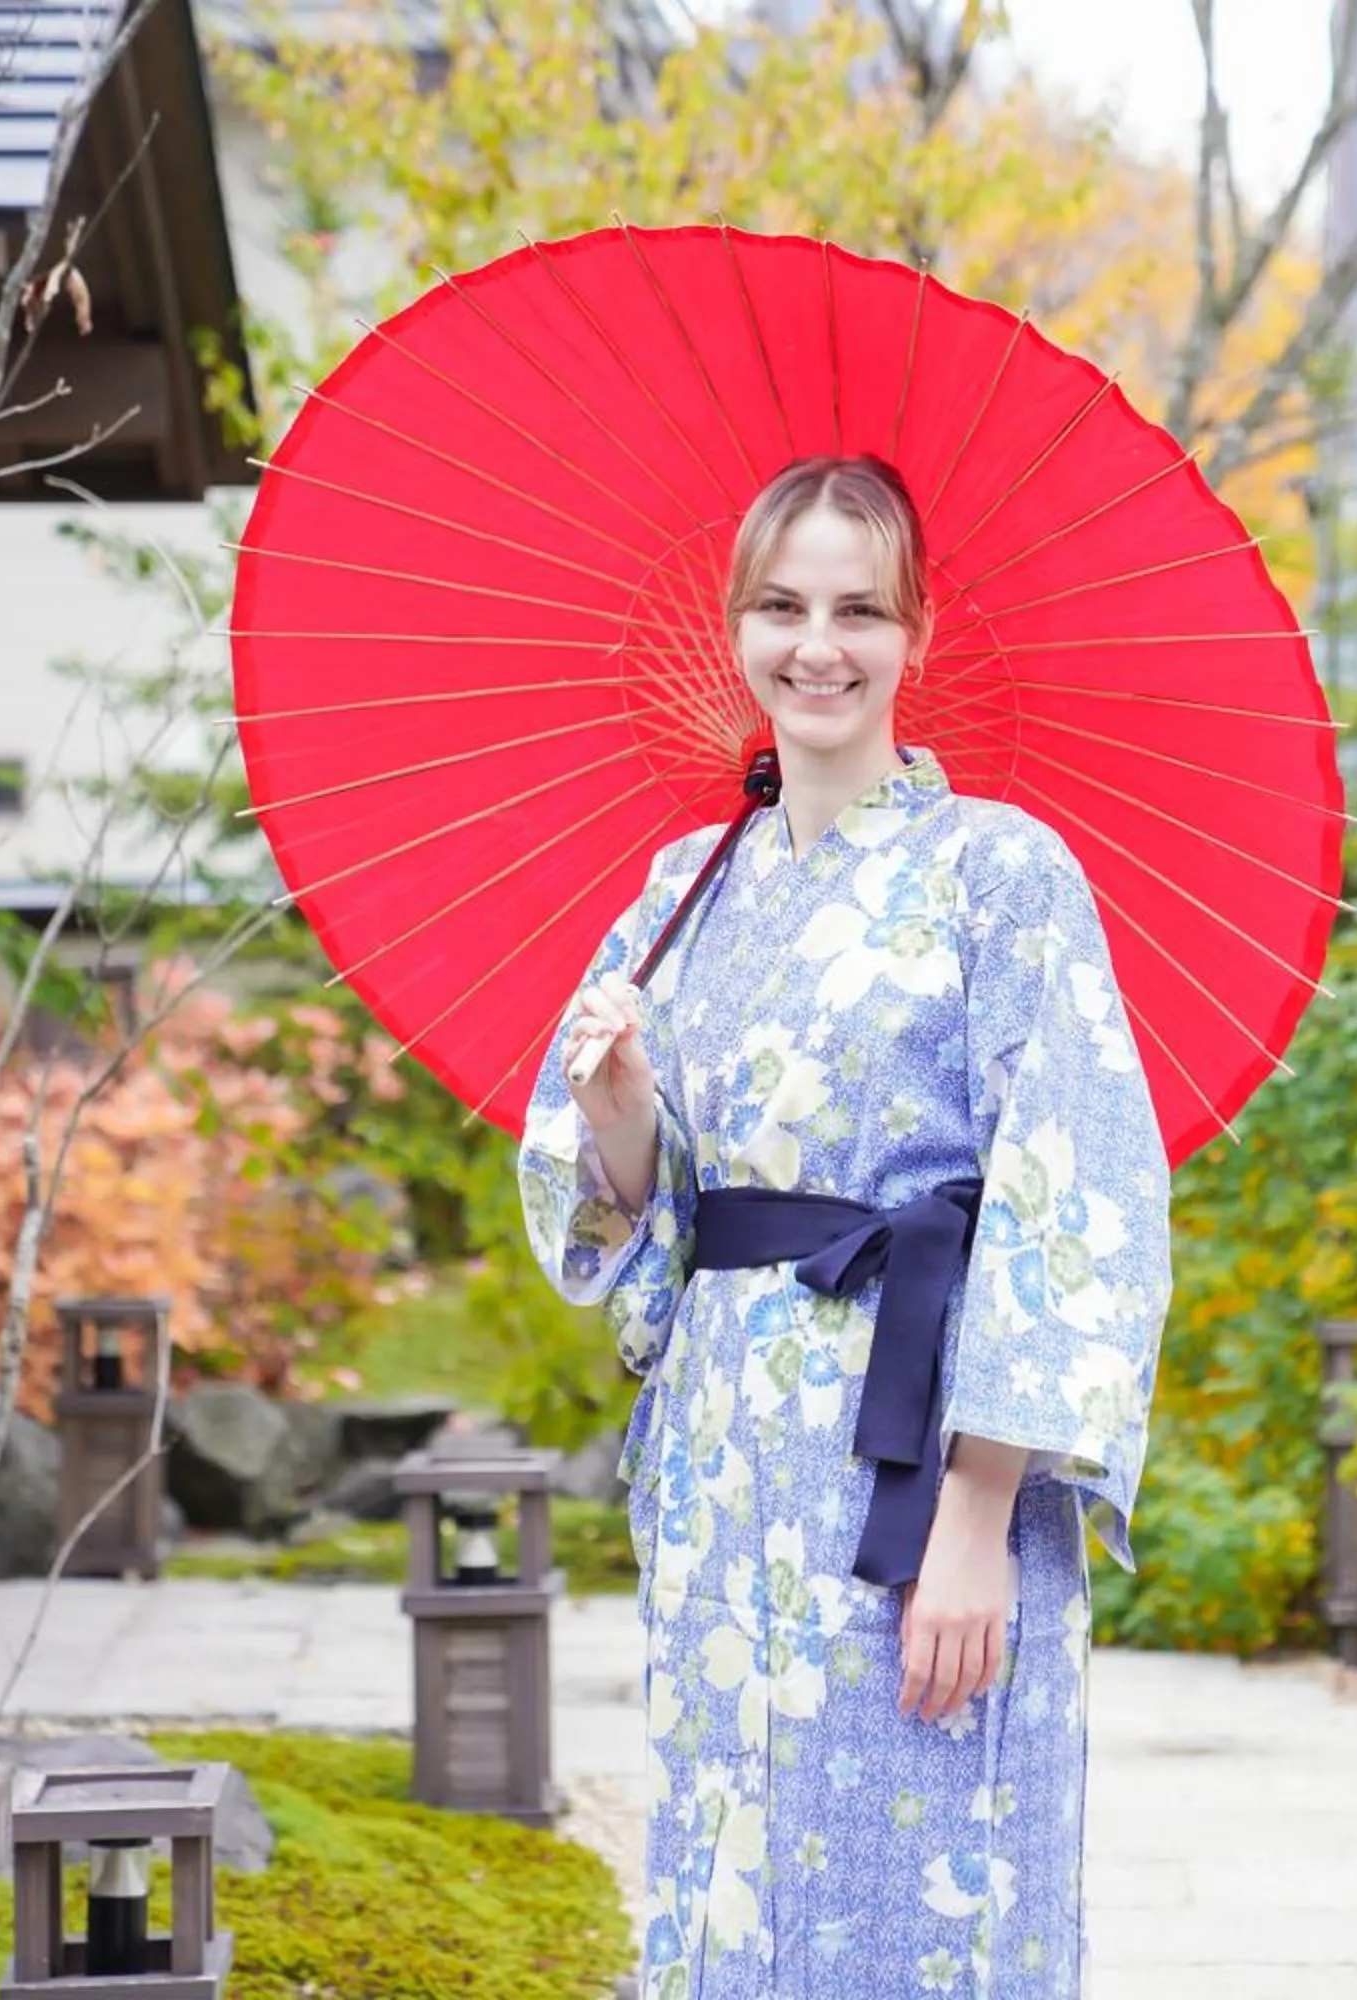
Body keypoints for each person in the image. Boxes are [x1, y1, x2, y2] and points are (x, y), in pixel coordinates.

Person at [519, 453, 1170, 1999]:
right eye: (784, 604)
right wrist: (616, 1095)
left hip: (923, 1447)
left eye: (859, 608)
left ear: (917, 633)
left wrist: (976, 1524)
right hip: (727, 1450)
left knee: (935, 1861)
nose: (819, 645)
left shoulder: (1001, 871)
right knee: (732, 1859)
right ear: (735, 626)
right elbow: (644, 1203)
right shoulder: (688, 885)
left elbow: (1075, 1192)